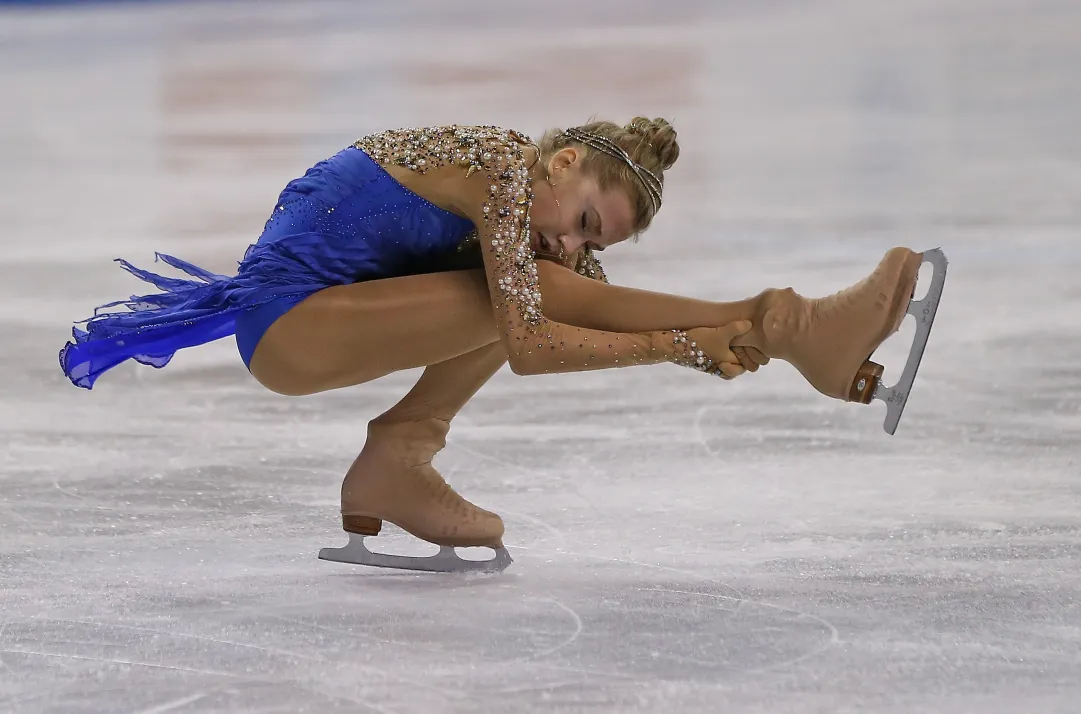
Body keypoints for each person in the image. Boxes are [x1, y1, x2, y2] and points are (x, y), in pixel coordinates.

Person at [60, 118, 933, 572]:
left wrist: (687, 337)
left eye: (600, 236)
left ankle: (396, 459)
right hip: (292, 328)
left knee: (549, 283)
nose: (574, 239)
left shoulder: (525, 209)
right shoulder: (502, 170)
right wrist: (683, 341)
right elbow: (532, 345)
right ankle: (788, 323)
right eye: (585, 218)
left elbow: (559, 303)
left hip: (331, 319)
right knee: (537, 291)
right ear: (560, 166)